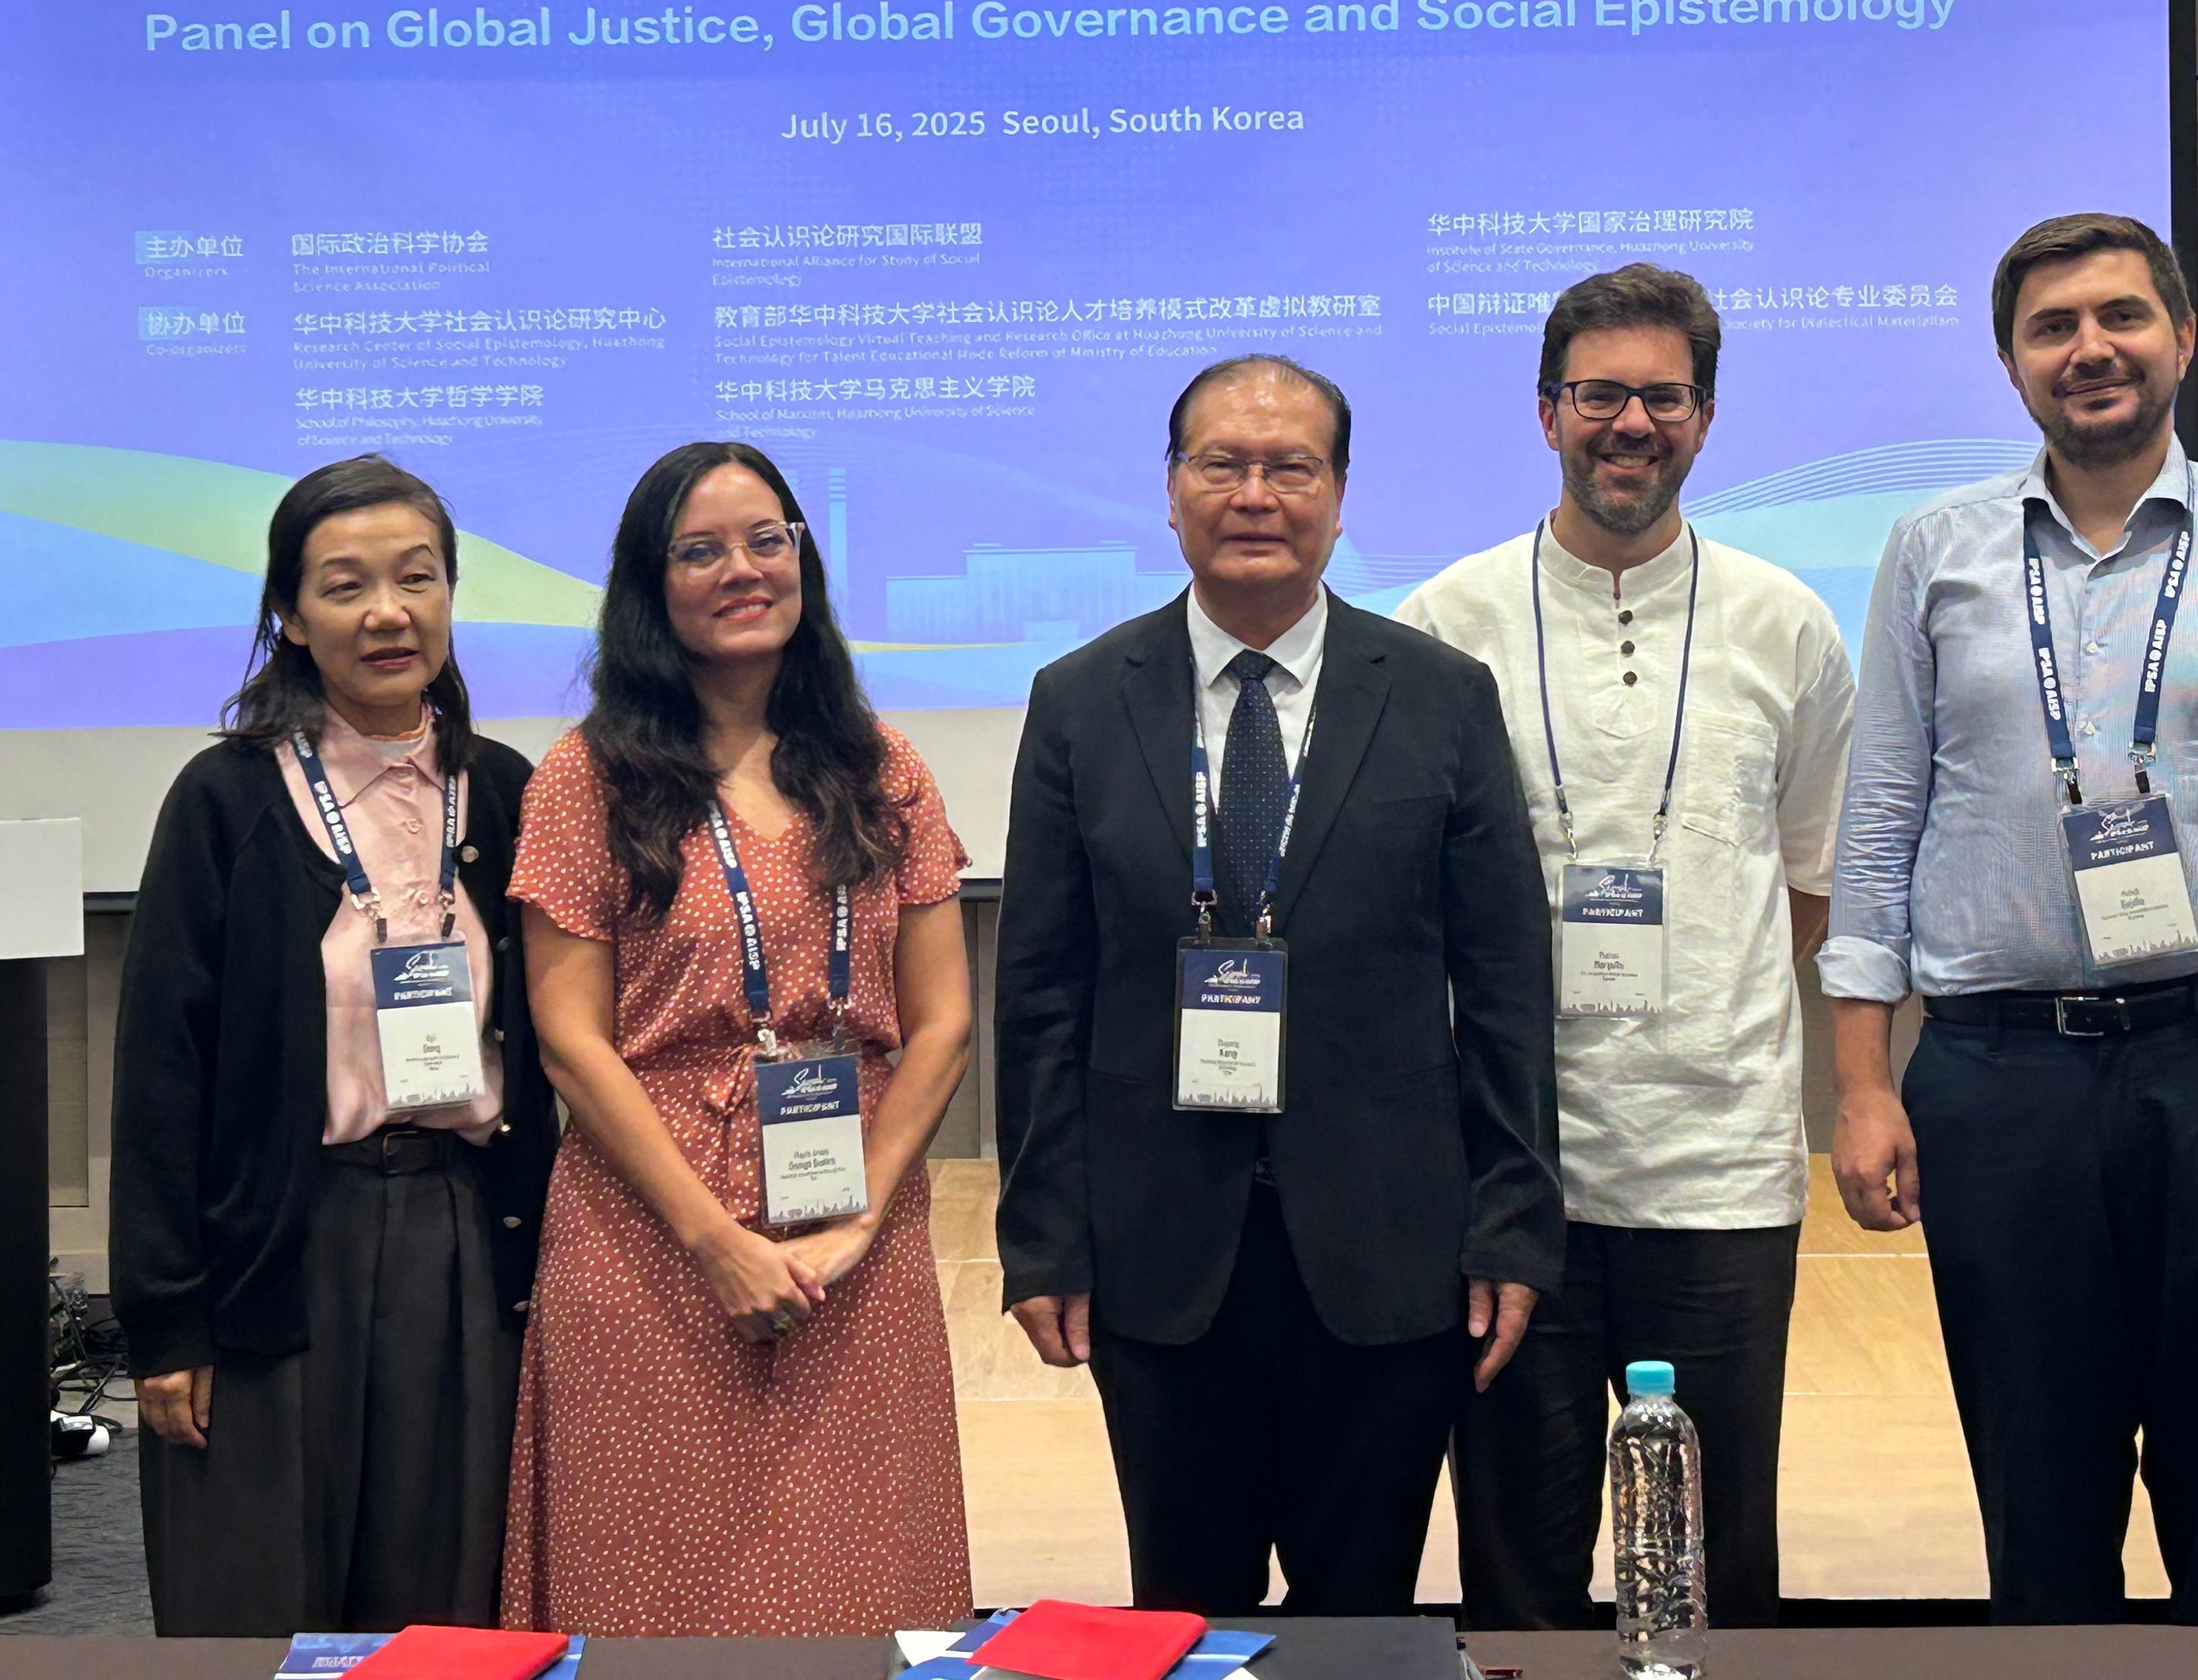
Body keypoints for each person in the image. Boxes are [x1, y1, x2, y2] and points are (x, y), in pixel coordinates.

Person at [1822, 212, 2198, 1626]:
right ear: (2012, 364)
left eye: (2121, 317)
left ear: (2183, 338)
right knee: (2038, 1507)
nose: (2090, 349)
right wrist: (1861, 1083)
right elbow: (1880, 824)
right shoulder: (1934, 551)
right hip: (1999, 1073)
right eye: (2053, 329)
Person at [994, 353, 1565, 1619]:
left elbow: (1507, 988)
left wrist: (1514, 1222)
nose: (1255, 495)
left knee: (1359, 1619)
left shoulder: (1440, 696)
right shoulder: (1080, 701)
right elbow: (1039, 993)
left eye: (1290, 468)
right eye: (1222, 464)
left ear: (1340, 497)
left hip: (1388, 1254)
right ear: (1171, 490)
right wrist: (1041, 1238)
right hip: (1158, 1256)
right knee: (1184, 1614)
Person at [1399, 265, 1852, 1630]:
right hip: (1510, 1173)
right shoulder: (1444, 623)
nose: (1632, 424)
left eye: (1665, 396)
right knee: (1518, 1568)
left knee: (1719, 1568)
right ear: (1547, 412)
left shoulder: (1787, 620)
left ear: (1705, 418)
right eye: (1600, 394)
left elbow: (1811, 882)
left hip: (1718, 1171)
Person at [503, 441, 974, 1635]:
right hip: (650, 1238)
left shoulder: (884, 769)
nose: (743, 570)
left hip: (854, 1233)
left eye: (768, 540)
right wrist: (715, 1242)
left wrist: (860, 1219)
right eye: (701, 550)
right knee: (660, 1585)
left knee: (857, 1574)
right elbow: (571, 1045)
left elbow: (944, 1024)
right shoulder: (586, 781)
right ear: (648, 584)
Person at [113, 455, 555, 1636]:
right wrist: (166, 1320)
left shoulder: (508, 794)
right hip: (280, 1241)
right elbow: (161, 1074)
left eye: (417, 578)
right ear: (292, 618)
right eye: (346, 585)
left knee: (442, 1613)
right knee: (255, 1602)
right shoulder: (226, 801)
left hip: (462, 1236)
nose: (388, 613)